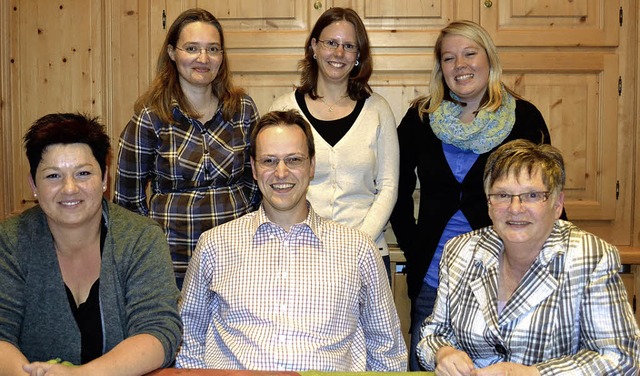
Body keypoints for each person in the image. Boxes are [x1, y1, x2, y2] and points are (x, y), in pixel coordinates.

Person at [176, 110, 407, 371]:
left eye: (294, 160)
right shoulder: (215, 245)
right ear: (254, 168)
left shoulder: (357, 250)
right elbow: (187, 338)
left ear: (311, 166)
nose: (281, 173)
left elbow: (387, 351)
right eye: (269, 161)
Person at [389, 20, 558, 370]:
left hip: (510, 281)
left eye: (470, 53)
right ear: (441, 68)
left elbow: (545, 192)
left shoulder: (524, 118)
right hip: (435, 282)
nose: (460, 65)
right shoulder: (421, 118)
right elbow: (397, 190)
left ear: (489, 59)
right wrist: (415, 248)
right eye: (449, 58)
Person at [418, 139, 640, 375]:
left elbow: (622, 357)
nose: (515, 208)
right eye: (503, 195)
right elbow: (434, 333)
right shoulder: (460, 250)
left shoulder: (590, 256)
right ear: (489, 204)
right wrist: (442, 353)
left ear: (557, 204)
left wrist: (534, 373)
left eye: (532, 195)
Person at [0, 113, 182, 375]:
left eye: (83, 173)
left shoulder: (141, 238)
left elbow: (158, 332)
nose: (70, 188)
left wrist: (80, 375)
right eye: (53, 176)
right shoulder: (10, 241)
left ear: (105, 178)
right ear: (33, 185)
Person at [114, 8, 260, 282]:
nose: (203, 59)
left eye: (213, 49)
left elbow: (257, 180)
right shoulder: (150, 118)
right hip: (172, 263)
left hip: (238, 259)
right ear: (172, 52)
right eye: (192, 48)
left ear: (221, 56)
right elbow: (128, 204)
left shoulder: (243, 110)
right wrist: (150, 252)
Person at [269, 7, 398, 277]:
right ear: (314, 47)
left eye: (349, 46)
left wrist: (355, 244)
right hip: (298, 252)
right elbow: (271, 180)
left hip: (366, 253)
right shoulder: (283, 108)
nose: (339, 53)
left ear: (358, 56)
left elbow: (388, 187)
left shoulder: (378, 110)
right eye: (331, 43)